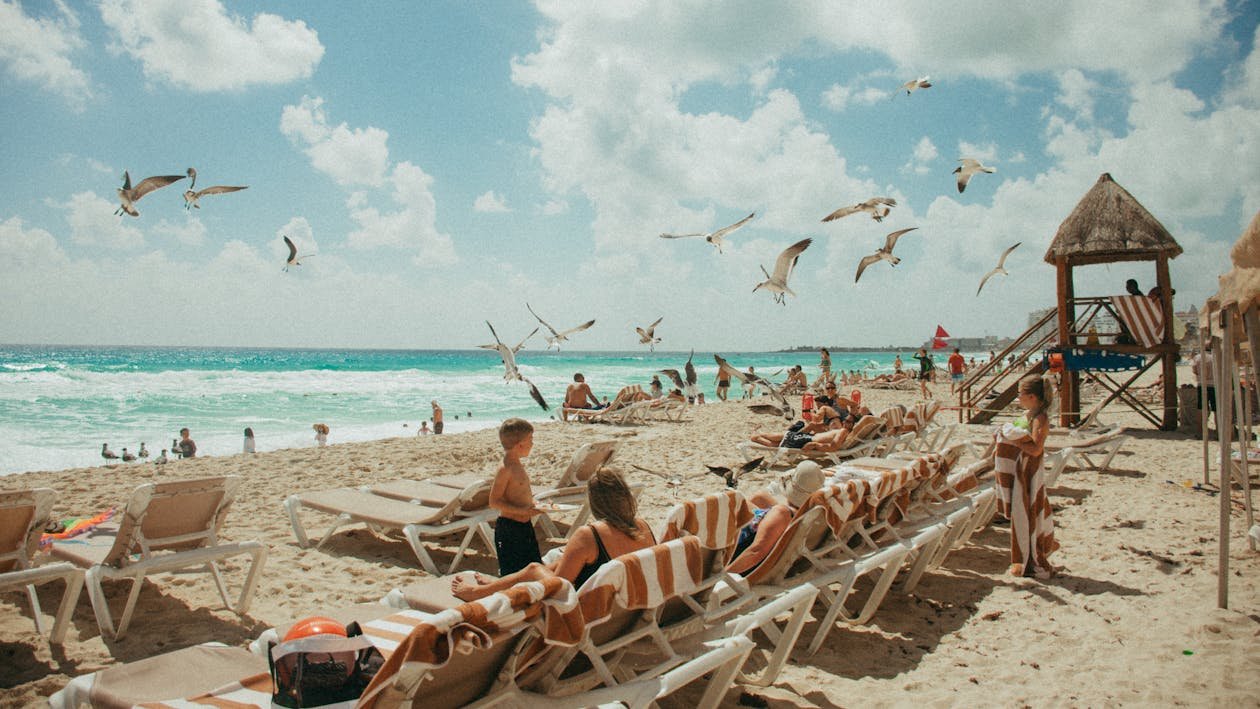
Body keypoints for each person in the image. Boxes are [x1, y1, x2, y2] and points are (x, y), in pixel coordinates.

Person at [452, 469, 654, 600]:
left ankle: (476, 593)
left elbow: (556, 589)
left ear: (595, 502)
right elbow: (563, 567)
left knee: (533, 569)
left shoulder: (589, 535)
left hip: (584, 612)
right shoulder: (643, 526)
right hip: (621, 605)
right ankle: (498, 586)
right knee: (555, 563)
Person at [994, 375, 1058, 579]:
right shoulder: (1029, 414)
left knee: (1027, 515)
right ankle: (1027, 556)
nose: (1017, 398)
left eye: (1020, 394)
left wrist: (1013, 443)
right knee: (1023, 514)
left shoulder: (1040, 418)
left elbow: (1037, 448)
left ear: (1031, 396)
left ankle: (1031, 558)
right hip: (1021, 470)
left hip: (1029, 471)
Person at [728, 461, 826, 575]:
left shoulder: (782, 513)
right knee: (760, 497)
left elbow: (756, 552)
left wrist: (723, 576)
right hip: (785, 539)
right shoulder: (815, 513)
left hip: (741, 560)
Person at [489, 418, 543, 576]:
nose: (532, 444)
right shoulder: (505, 469)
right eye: (530, 440)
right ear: (520, 445)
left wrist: (535, 503)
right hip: (510, 529)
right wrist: (522, 511)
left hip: (525, 527)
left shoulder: (517, 464)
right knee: (513, 574)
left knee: (532, 569)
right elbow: (494, 501)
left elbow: (520, 494)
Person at [1190, 345, 1217, 432]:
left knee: (1201, 408)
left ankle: (1199, 431)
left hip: (1202, 384)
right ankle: (1218, 431)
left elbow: (1195, 371)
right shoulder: (1216, 357)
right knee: (1216, 409)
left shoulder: (1197, 358)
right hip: (1214, 385)